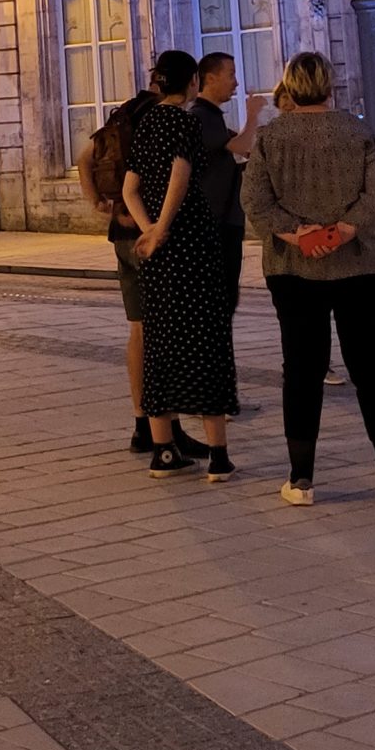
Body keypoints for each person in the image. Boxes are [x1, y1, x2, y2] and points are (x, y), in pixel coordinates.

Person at [240, 50, 375, 506]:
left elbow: (254, 200)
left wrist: (299, 235)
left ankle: (301, 480)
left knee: (301, 369)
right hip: (361, 266)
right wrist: (344, 230)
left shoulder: (270, 137)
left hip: (294, 269)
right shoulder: (360, 131)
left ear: (290, 88)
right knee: (372, 368)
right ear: (329, 86)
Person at [75, 58, 203, 460]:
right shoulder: (165, 118)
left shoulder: (125, 112)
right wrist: (156, 229)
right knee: (164, 336)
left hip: (124, 236)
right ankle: (168, 432)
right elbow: (178, 176)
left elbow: (84, 158)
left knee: (140, 331)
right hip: (152, 238)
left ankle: (143, 426)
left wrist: (100, 204)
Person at [123, 50, 239, 480]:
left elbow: (130, 188)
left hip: (157, 253)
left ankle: (164, 452)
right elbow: (181, 175)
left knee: (161, 342)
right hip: (192, 242)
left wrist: (148, 230)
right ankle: (219, 456)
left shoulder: (147, 123)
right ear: (192, 82)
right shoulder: (186, 122)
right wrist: (164, 227)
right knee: (206, 340)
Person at [188, 52, 265, 318]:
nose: (236, 83)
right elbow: (241, 146)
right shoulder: (201, 116)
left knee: (224, 300)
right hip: (215, 224)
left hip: (223, 220)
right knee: (218, 302)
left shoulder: (212, 117)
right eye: (231, 75)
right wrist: (253, 115)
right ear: (210, 79)